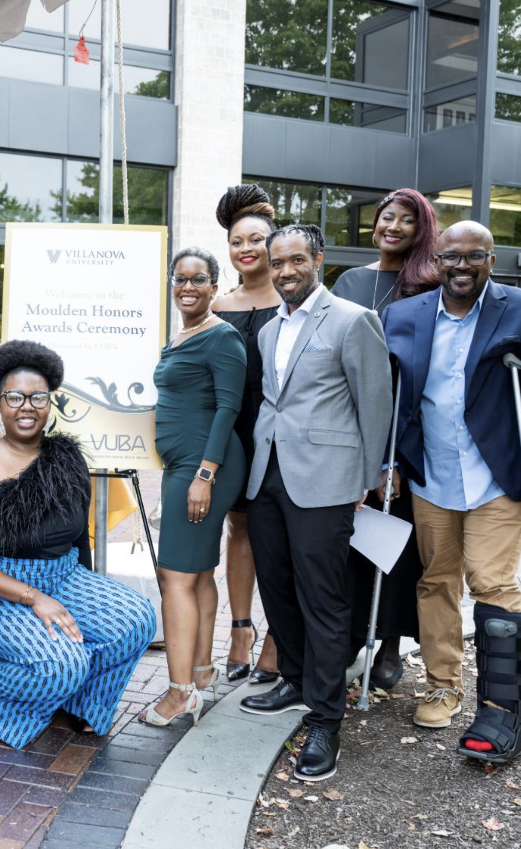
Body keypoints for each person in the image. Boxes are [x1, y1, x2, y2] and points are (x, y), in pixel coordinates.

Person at [382, 220, 521, 763]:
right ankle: (442, 687)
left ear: (492, 260)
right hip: (431, 475)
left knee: (491, 581)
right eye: (450, 257)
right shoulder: (403, 315)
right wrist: (387, 462)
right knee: (436, 580)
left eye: (473, 256)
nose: (460, 266)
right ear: (436, 261)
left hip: (496, 475)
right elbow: (389, 398)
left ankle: (500, 707)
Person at [238, 224, 391, 783]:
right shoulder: (268, 329)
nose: (286, 271)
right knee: (277, 589)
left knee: (323, 599)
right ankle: (297, 680)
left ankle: (326, 718)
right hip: (267, 476)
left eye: (296, 260)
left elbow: (375, 402)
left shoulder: (353, 319)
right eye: (278, 263)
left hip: (327, 481)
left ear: (318, 260)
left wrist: (371, 478)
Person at [0, 340, 156, 748]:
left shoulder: (67, 459)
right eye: (15, 397)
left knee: (136, 621)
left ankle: (78, 700)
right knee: (61, 663)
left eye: (37, 397)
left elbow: (79, 539)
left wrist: (90, 596)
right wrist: (34, 598)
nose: (26, 407)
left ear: (50, 403)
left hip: (64, 576)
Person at [330, 188, 441, 690]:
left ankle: (391, 642)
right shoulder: (350, 280)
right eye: (386, 217)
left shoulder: (429, 287)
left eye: (406, 221)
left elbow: (418, 376)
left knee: (396, 539)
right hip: (348, 427)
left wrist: (391, 456)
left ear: (422, 231)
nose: (393, 227)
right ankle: (356, 635)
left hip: (402, 430)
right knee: (353, 539)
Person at [142, 247, 247, 727]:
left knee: (175, 577)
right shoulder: (187, 333)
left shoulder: (222, 337)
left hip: (204, 467)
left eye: (198, 279)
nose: (188, 287)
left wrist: (204, 474)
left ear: (214, 286)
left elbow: (228, 408)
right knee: (199, 573)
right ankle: (201, 672)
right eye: (180, 278)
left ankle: (179, 692)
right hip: (186, 464)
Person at [211, 185, 282, 686]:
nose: (246, 248)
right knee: (237, 530)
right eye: (237, 242)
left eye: (256, 239)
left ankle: (277, 636)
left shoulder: (295, 299)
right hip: (234, 431)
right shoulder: (218, 304)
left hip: (281, 434)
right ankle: (240, 631)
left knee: (277, 536)